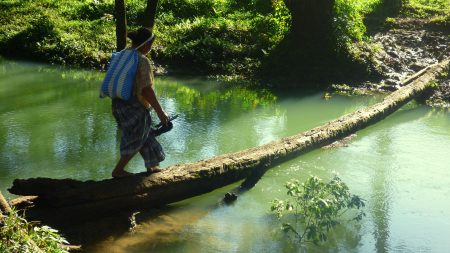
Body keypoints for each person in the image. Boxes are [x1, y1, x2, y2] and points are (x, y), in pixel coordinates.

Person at [111, 27, 169, 178]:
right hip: (133, 107)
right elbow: (146, 90)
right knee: (136, 137)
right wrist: (161, 113)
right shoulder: (142, 60)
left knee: (145, 134)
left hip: (118, 104)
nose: (150, 48)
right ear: (146, 44)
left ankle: (152, 166)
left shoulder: (122, 55)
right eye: (151, 45)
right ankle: (118, 171)